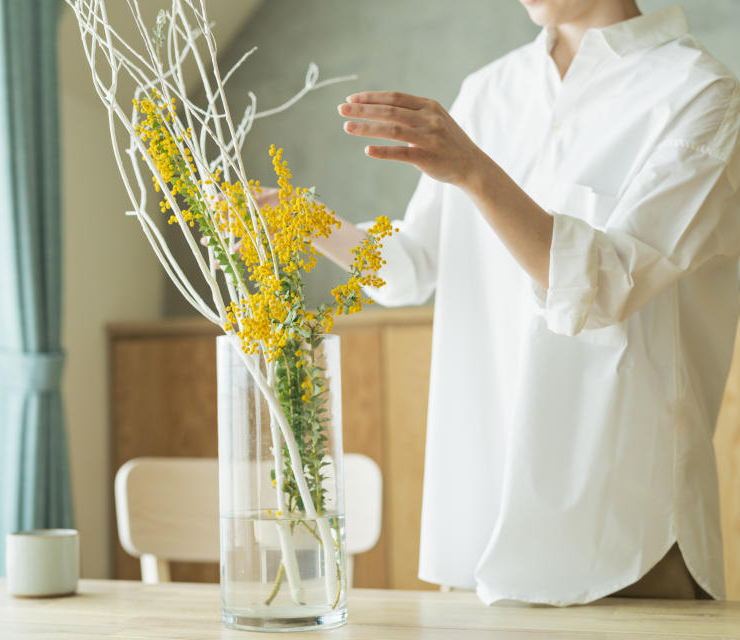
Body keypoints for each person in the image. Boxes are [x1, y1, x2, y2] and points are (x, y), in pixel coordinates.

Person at [260, 0, 740, 605]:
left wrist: (475, 171)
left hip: (623, 541)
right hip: (479, 531)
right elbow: (409, 268)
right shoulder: (488, 92)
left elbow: (605, 286)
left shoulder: (703, 96)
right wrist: (293, 216)